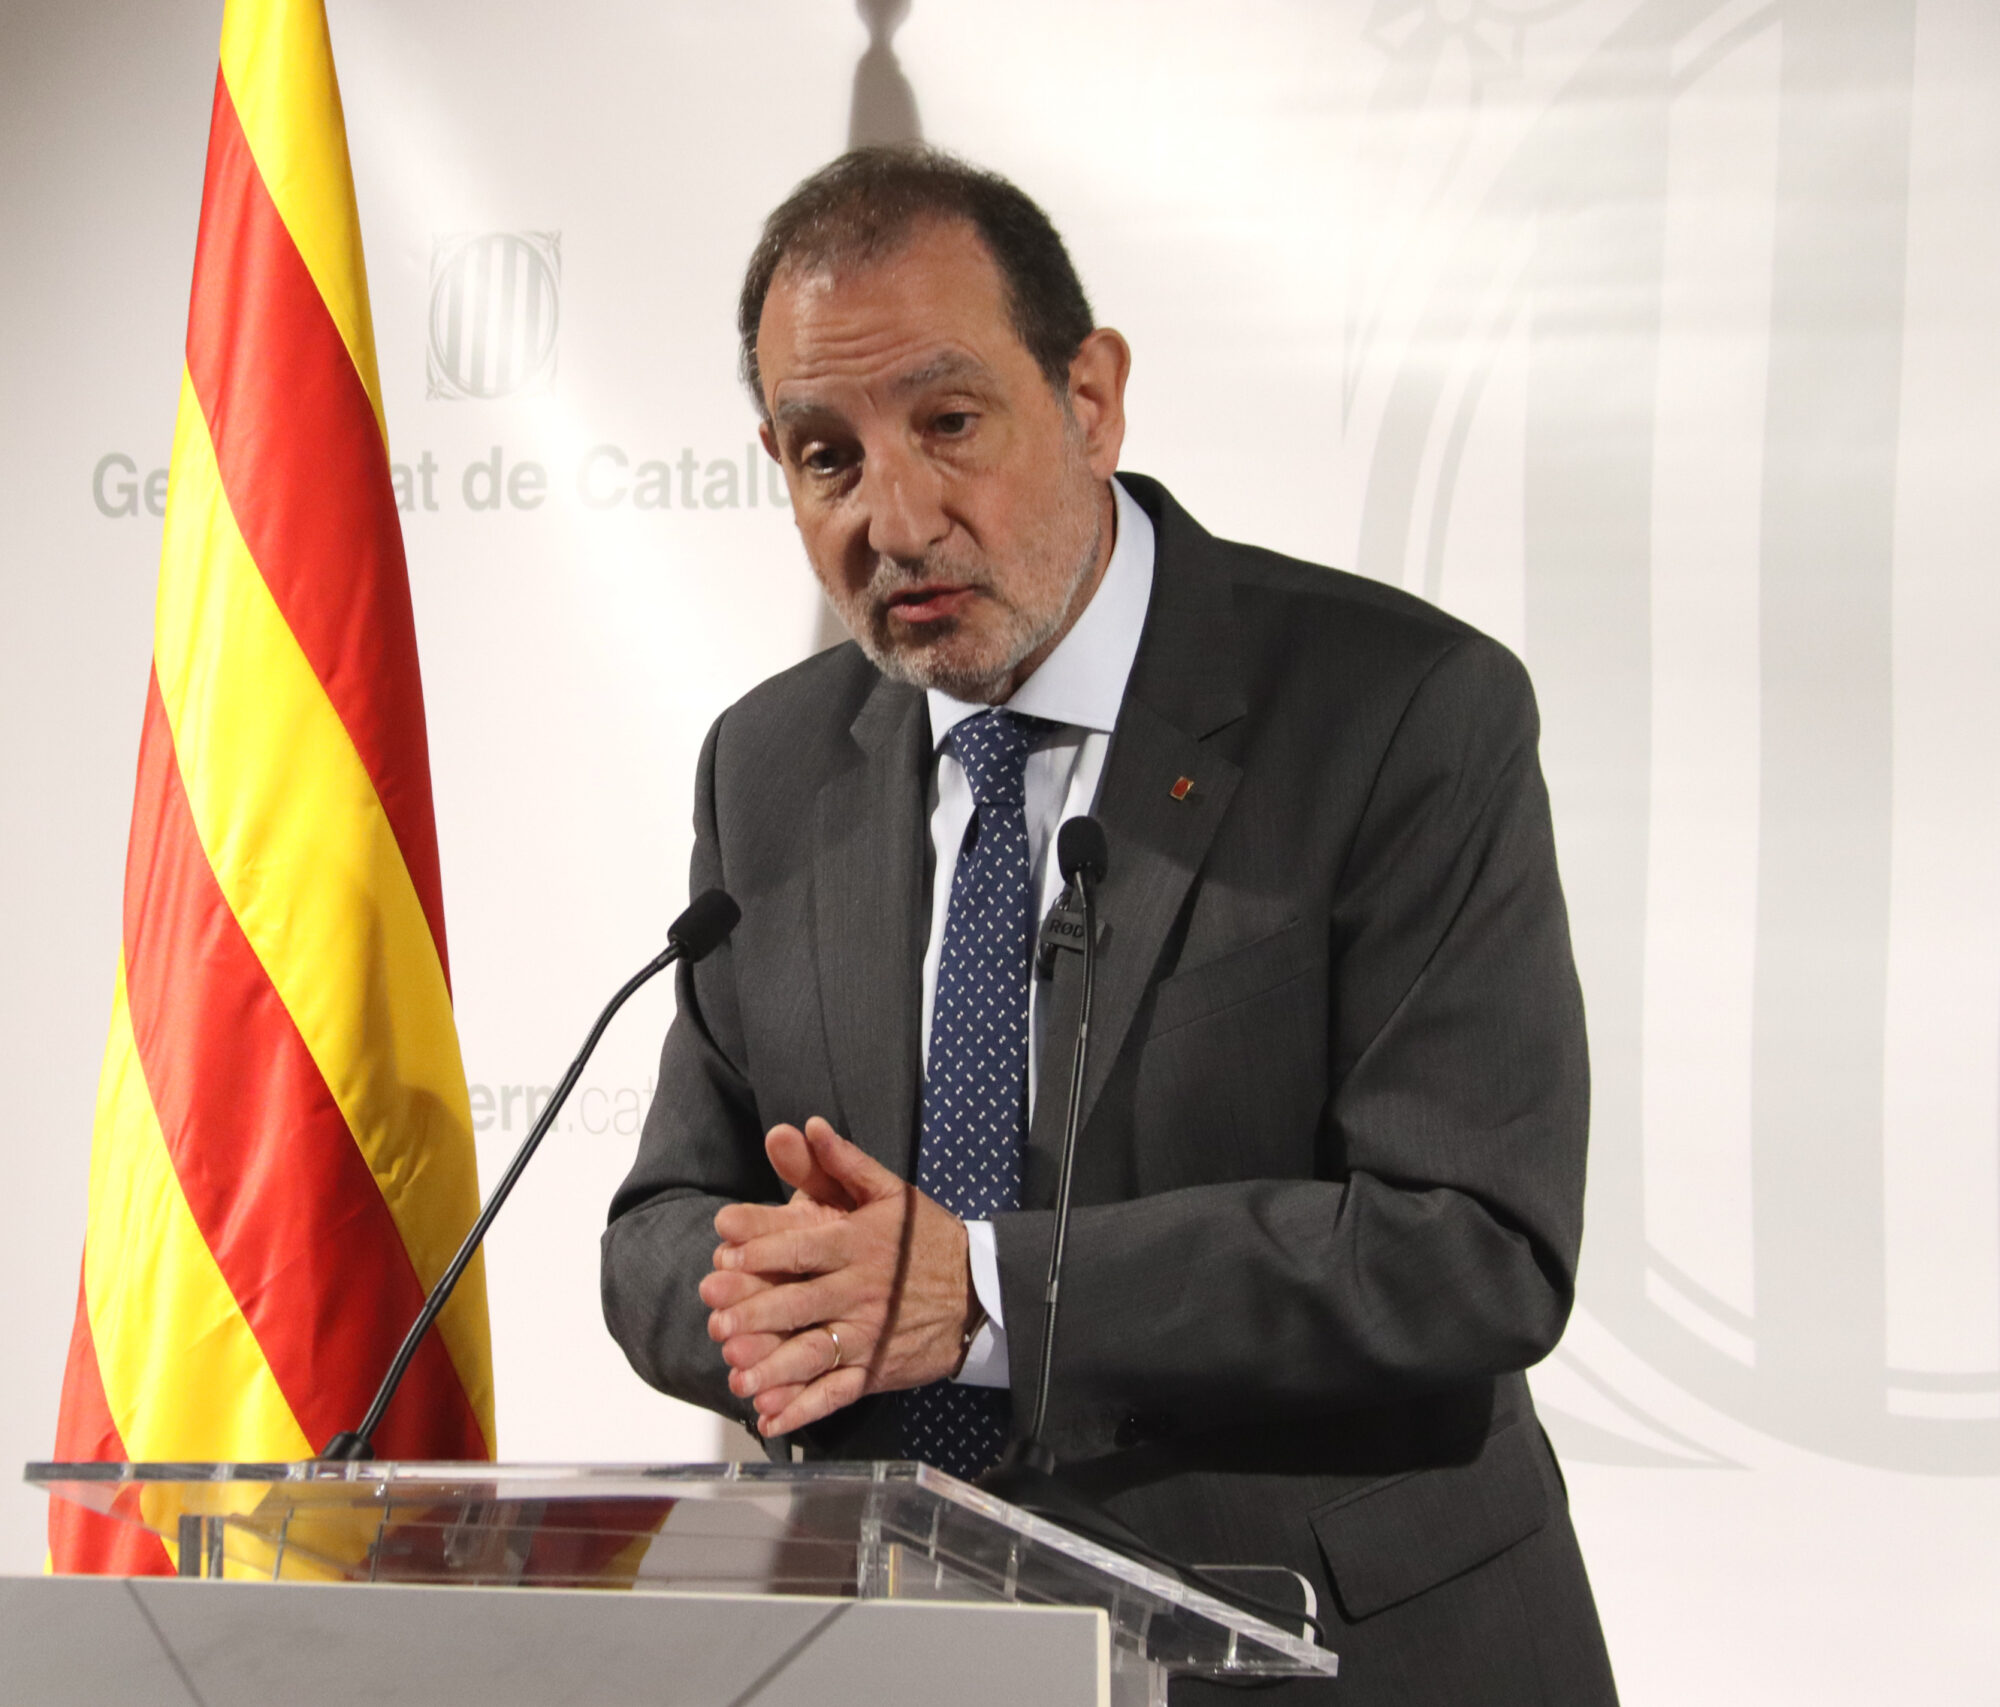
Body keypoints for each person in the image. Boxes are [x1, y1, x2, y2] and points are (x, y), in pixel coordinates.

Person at [599, 147, 1617, 1704]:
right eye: (826, 457)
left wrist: (980, 1294)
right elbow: (663, 1229)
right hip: (914, 1660)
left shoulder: (1400, 711)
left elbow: (1477, 1248)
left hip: (1338, 1653)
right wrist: (806, 1295)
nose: (896, 518)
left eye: (949, 423)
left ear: (1089, 399)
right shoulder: (773, 764)